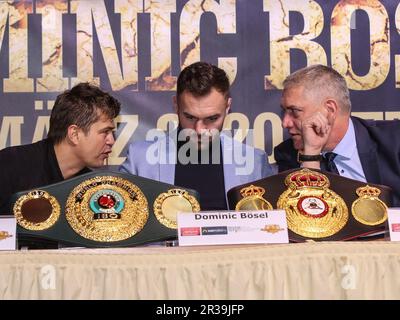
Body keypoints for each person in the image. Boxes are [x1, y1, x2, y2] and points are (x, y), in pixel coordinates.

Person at [121, 62, 273, 210]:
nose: (199, 130)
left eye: (212, 118)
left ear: (228, 107)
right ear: (176, 105)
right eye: (190, 117)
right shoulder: (139, 161)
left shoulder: (255, 163)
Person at [274, 64, 400, 205]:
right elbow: (305, 218)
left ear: (329, 109)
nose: (285, 122)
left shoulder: (394, 141)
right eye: (284, 111)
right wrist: (311, 156)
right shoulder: (288, 155)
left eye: (294, 111)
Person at [0, 82, 121, 214]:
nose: (111, 141)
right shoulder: (8, 166)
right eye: (105, 132)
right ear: (74, 134)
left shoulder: (92, 189)